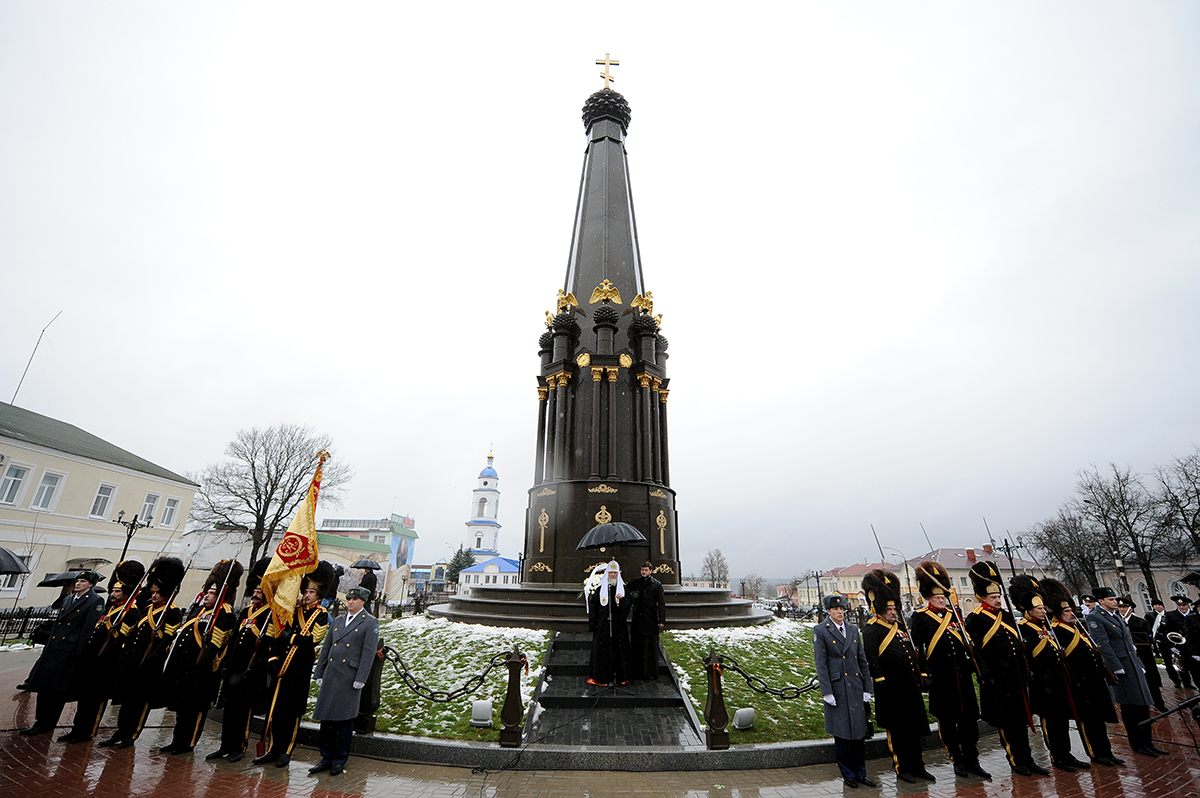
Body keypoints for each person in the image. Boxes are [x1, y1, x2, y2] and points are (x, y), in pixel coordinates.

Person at [963, 562, 1046, 777]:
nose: (998, 600)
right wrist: (985, 674)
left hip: (1016, 678)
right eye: (993, 598)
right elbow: (975, 651)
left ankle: (1028, 759)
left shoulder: (1007, 617)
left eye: (999, 596)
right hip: (997, 681)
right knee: (1008, 725)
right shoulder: (975, 619)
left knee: (1021, 722)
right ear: (982, 597)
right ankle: (1016, 761)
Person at [910, 560, 988, 779]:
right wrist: (924, 673)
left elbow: (969, 644)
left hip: (962, 676)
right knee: (948, 722)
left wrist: (979, 666)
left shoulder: (955, 616)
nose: (941, 600)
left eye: (943, 597)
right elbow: (918, 650)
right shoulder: (920, 617)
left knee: (969, 722)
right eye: (937, 597)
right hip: (941, 677)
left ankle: (973, 759)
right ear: (928, 598)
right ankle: (957, 759)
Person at [253, 560, 334, 767]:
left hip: (299, 670)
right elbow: (277, 639)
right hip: (281, 668)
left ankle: (286, 751)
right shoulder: (292, 610)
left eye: (311, 593)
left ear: (319, 595)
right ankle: (273, 749)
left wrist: (290, 638)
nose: (307, 595)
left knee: (292, 713)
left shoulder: (321, 615)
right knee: (276, 711)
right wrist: (272, 660)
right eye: (305, 591)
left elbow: (314, 639)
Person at [100, 556, 185, 749]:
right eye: (153, 592)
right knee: (127, 699)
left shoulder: (172, 612)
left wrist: (153, 657)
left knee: (140, 702)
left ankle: (132, 734)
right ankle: (120, 731)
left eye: (158, 593)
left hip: (149, 664)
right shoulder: (147, 609)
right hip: (133, 661)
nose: (153, 596)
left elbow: (166, 639)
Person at [160, 559, 243, 755]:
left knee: (195, 709)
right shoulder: (200, 610)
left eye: (212, 593)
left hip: (203, 669)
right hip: (186, 665)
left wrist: (202, 662)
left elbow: (216, 642)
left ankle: (188, 743)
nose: (206, 595)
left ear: (221, 594)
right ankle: (177, 740)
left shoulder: (225, 613)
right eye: (207, 592)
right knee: (182, 707)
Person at [861, 569, 933, 784]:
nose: (893, 612)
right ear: (880, 608)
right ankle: (902, 768)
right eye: (889, 608)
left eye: (894, 608)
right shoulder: (872, 629)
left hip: (909, 686)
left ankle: (918, 766)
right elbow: (871, 657)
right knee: (899, 732)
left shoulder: (901, 628)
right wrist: (880, 680)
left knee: (914, 730)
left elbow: (913, 652)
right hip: (891, 688)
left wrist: (921, 673)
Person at [63, 560, 145, 742]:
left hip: (107, 663)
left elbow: (119, 640)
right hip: (92, 660)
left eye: (117, 591)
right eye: (113, 591)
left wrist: (104, 655)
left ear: (125, 593)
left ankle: (88, 731)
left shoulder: (131, 612)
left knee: (96, 701)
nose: (113, 593)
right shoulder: (112, 609)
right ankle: (77, 729)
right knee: (84, 699)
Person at [1043, 578, 1121, 767]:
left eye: (1071, 610)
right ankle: (1095, 753)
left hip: (1093, 680)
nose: (1072, 613)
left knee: (1099, 721)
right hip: (1080, 683)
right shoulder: (1058, 630)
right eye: (1067, 611)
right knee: (1089, 721)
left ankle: (1106, 751)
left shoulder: (1076, 627)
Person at [20, 570, 106, 736]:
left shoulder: (95, 601)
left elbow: (88, 628)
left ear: (90, 584)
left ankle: (48, 722)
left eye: (82, 581)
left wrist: (79, 652)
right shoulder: (68, 598)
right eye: (77, 581)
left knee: (56, 690)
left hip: (69, 651)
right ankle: (39, 721)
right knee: (44, 686)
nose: (78, 584)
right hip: (54, 648)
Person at [1085, 586, 1166, 758]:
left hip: (1132, 664)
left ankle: (1148, 741)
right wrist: (1115, 667)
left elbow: (1128, 641)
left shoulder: (1116, 616)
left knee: (1143, 704)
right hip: (1121, 667)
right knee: (1130, 707)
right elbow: (1103, 645)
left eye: (1115, 598)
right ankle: (1137, 743)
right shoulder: (1095, 618)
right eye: (1111, 599)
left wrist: (1138, 663)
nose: (1115, 602)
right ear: (1101, 601)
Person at [308, 586, 380, 776]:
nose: (350, 602)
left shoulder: (369, 623)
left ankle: (339, 759)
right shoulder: (338, 621)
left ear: (363, 601)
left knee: (344, 721)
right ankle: (325, 757)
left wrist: (361, 678)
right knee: (327, 719)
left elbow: (368, 654)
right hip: (332, 675)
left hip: (349, 677)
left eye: (354, 600)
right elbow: (327, 648)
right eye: (348, 599)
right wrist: (319, 672)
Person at [208, 557, 273, 762]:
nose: (254, 593)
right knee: (229, 709)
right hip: (235, 668)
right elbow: (235, 638)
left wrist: (253, 668)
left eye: (259, 591)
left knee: (243, 713)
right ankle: (225, 745)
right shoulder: (246, 611)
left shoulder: (269, 615)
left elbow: (265, 646)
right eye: (254, 590)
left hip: (250, 671)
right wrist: (226, 664)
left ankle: (239, 746)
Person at [1011, 575, 1078, 772]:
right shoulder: (1023, 628)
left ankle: (1066, 753)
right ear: (1029, 610)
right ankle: (1057, 756)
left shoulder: (1046, 627)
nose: (1043, 611)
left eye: (1043, 608)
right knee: (1051, 722)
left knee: (1063, 720)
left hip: (1057, 679)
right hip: (1042, 681)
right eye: (1039, 609)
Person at [813, 594, 876, 789]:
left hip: (855, 686)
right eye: (836, 609)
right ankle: (847, 774)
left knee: (858, 732)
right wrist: (827, 691)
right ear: (828, 611)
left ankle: (860, 772)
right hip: (838, 688)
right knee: (842, 733)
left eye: (842, 609)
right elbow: (821, 664)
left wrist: (867, 687)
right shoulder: (821, 631)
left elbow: (862, 659)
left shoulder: (852, 630)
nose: (840, 612)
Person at [586, 560, 630, 686]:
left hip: (618, 627)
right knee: (602, 653)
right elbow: (593, 606)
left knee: (619, 652)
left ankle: (619, 676)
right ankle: (602, 677)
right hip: (604, 627)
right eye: (610, 573)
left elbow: (629, 604)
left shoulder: (623, 589)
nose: (613, 575)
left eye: (615, 573)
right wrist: (594, 623)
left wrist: (622, 600)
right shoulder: (601, 589)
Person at [1119, 596, 1166, 711]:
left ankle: (1158, 703)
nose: (1122, 610)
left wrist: (1137, 644)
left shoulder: (1141, 622)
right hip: (1128, 657)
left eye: (1124, 607)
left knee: (1151, 681)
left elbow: (1150, 638)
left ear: (1131, 609)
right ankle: (1140, 704)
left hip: (1144, 656)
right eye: (1120, 607)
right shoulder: (1117, 623)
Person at [626, 561, 666, 680]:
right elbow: (625, 590)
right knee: (637, 644)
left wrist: (661, 619)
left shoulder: (656, 585)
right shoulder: (636, 582)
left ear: (651, 571)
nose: (644, 572)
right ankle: (637, 671)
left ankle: (650, 672)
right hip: (638, 618)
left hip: (650, 619)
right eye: (642, 570)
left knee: (650, 646)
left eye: (646, 570)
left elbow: (661, 603)